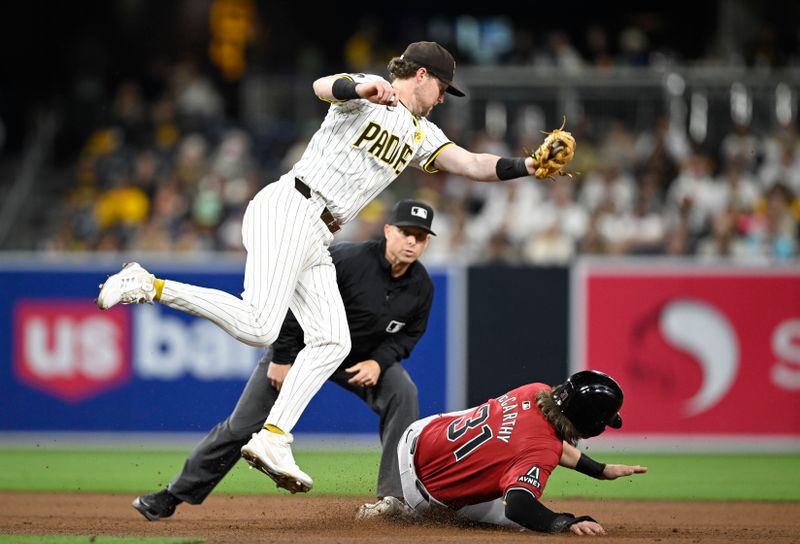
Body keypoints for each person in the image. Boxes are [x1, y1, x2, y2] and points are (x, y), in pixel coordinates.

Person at [96, 41, 548, 493]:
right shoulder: (369, 94)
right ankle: (147, 285)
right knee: (259, 326)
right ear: (423, 76)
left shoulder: (421, 133)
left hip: (319, 231)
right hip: (293, 204)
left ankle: (273, 439)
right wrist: (361, 85)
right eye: (444, 87)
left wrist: (528, 164)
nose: (444, 98)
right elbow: (323, 87)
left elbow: (471, 163)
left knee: (333, 340)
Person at [132, 199, 436, 521]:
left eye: (420, 236)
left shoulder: (421, 287)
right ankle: (172, 495)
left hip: (358, 360)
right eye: (406, 232)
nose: (412, 242)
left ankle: (393, 499)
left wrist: (379, 361)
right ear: (388, 230)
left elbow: (407, 335)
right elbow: (294, 297)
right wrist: (282, 355)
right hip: (302, 349)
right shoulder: (349, 260)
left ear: (427, 241)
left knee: (403, 392)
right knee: (243, 426)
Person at [376, 370, 646, 535]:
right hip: (425, 498)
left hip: (418, 434)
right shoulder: (542, 451)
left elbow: (537, 440)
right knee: (522, 523)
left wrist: (599, 470)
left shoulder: (534, 390)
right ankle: (407, 510)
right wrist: (564, 522)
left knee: (493, 426)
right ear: (591, 423)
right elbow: (519, 506)